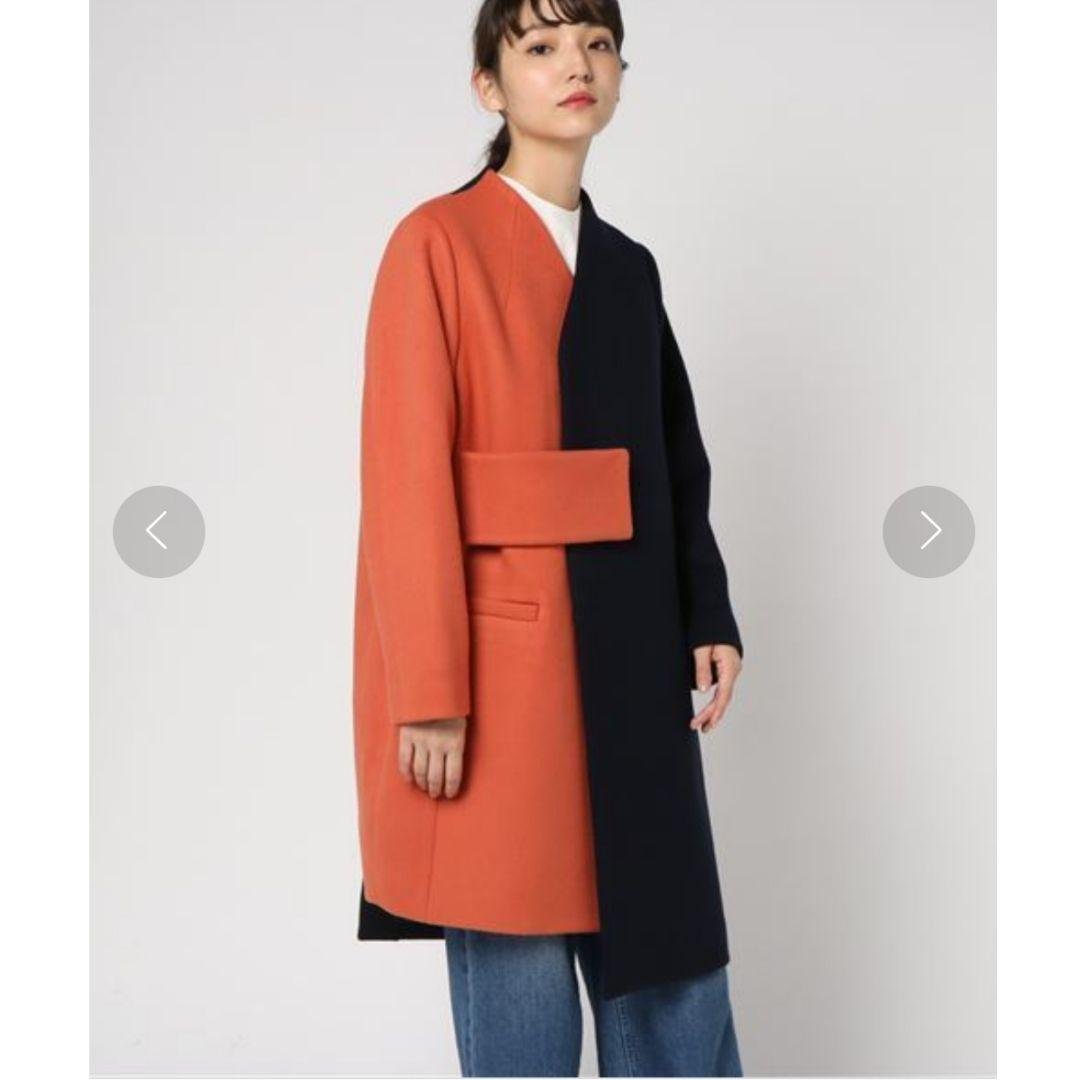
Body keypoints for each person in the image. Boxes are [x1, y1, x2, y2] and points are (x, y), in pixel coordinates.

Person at [352, 1, 746, 1074]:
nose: (577, 63)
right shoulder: (435, 243)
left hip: (632, 655)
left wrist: (705, 613)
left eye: (598, 44)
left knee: (672, 972)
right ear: (490, 85)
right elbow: (404, 480)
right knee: (518, 975)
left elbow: (670, 456)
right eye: (541, 46)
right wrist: (429, 688)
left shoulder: (627, 266)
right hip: (501, 671)